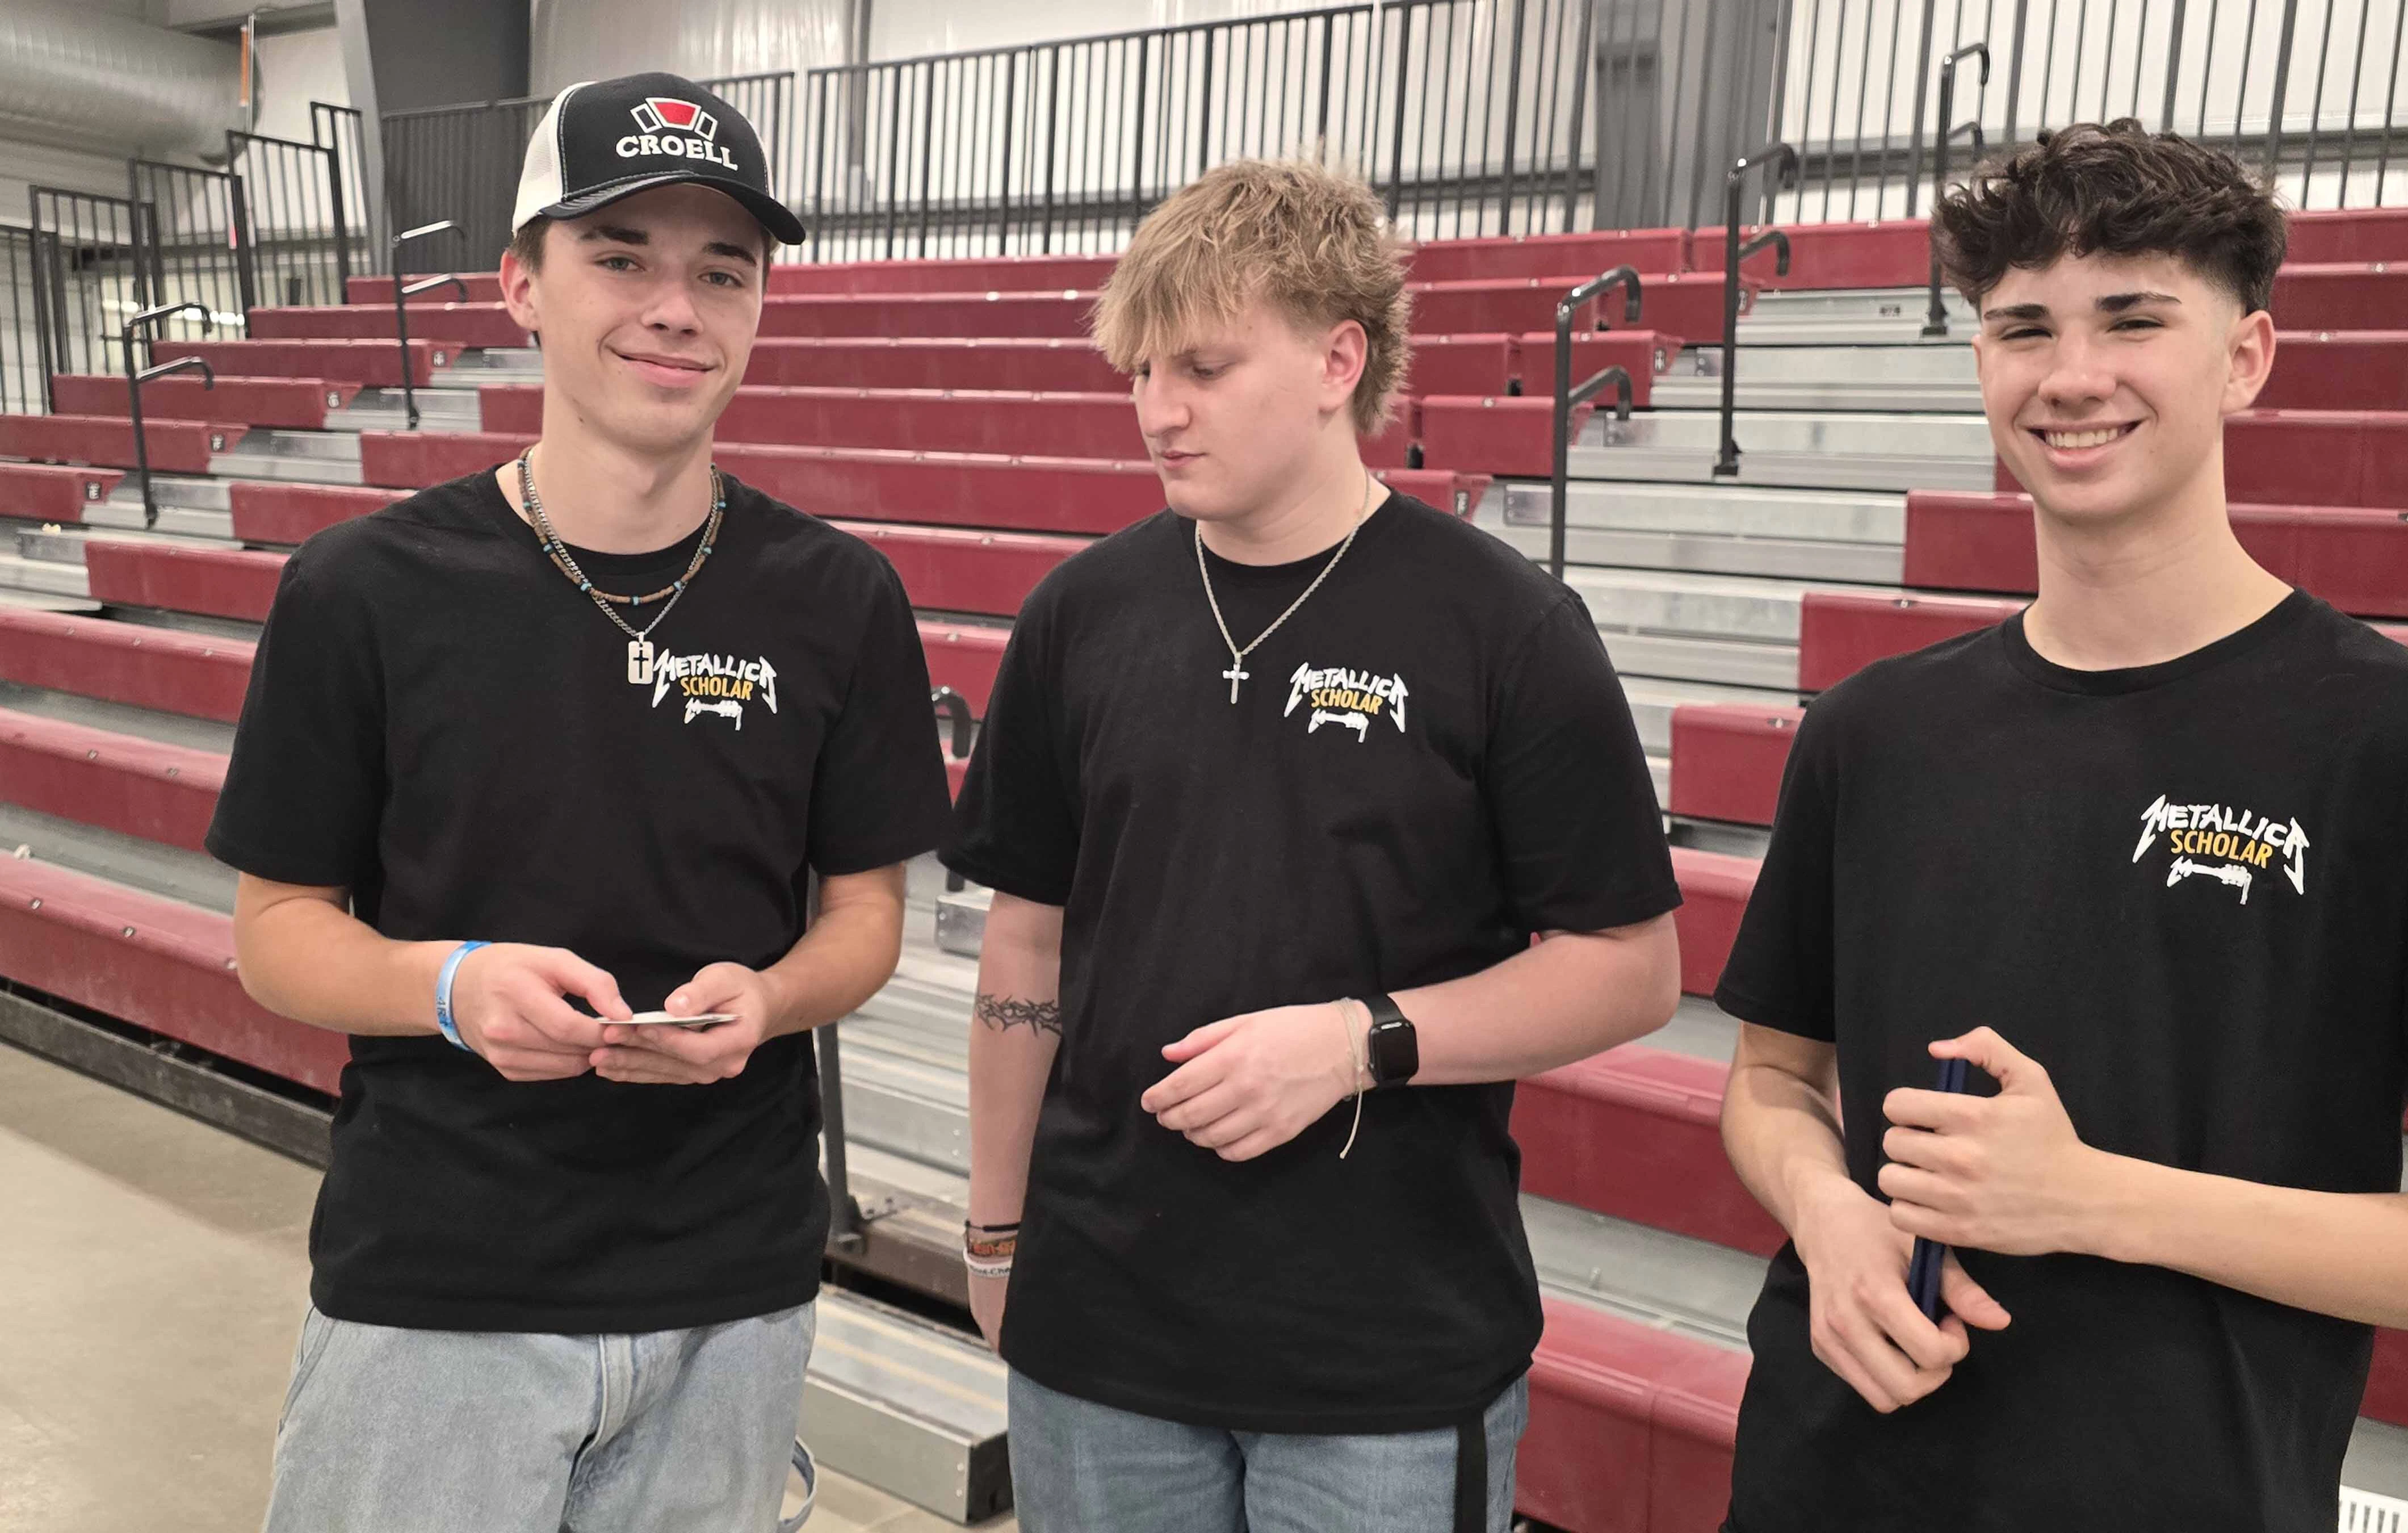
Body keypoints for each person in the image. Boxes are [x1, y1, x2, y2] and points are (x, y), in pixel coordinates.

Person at [1713, 120, 2408, 1531]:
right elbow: (1770, 1085)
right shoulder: (1873, 730)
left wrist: (2091, 1200)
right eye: (2025, 330)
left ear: (2245, 357)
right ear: (1981, 367)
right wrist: (1828, 1218)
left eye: (2133, 319)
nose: (2072, 377)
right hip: (1825, 1477)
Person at [207, 72, 953, 1532]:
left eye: (720, 271)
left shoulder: (840, 600)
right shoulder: (363, 591)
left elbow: (864, 917)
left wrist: (775, 1000)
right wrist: (454, 984)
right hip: (439, 1283)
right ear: (520, 287)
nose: (675, 306)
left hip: (729, 1292)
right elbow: (277, 932)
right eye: (620, 257)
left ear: (757, 310)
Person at [944, 157, 1685, 1533]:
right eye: (1141, 372)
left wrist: (1360, 1042)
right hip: (1101, 1330)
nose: (1159, 412)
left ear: (1340, 358)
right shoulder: (1081, 617)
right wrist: (994, 1230)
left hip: (1384, 1354)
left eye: (1205, 369)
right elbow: (1027, 936)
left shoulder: (1503, 628)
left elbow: (1629, 968)